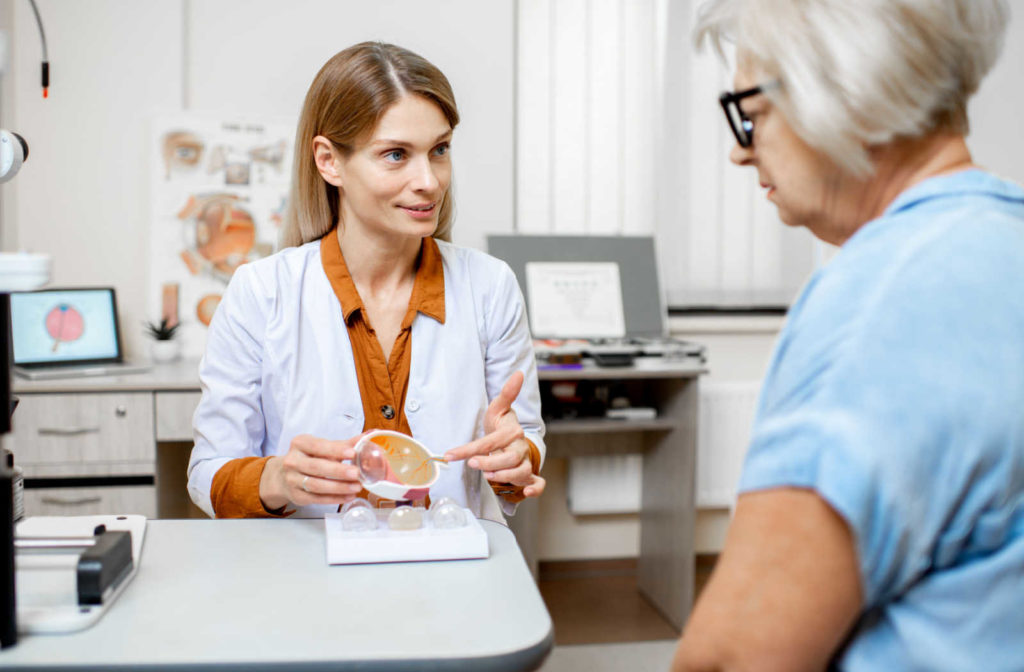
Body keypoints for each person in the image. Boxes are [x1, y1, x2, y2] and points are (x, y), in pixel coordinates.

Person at [674, 1, 1024, 670]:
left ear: (844, 88)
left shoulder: (885, 298)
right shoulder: (1004, 238)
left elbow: (735, 658)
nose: (740, 148)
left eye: (752, 112)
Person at [187, 42, 545, 522]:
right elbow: (208, 474)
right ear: (329, 161)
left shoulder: (490, 285)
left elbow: (525, 445)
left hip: (453, 571)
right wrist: (278, 479)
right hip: (308, 577)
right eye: (396, 155)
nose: (430, 180)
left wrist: (515, 458)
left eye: (439, 150)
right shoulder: (261, 292)